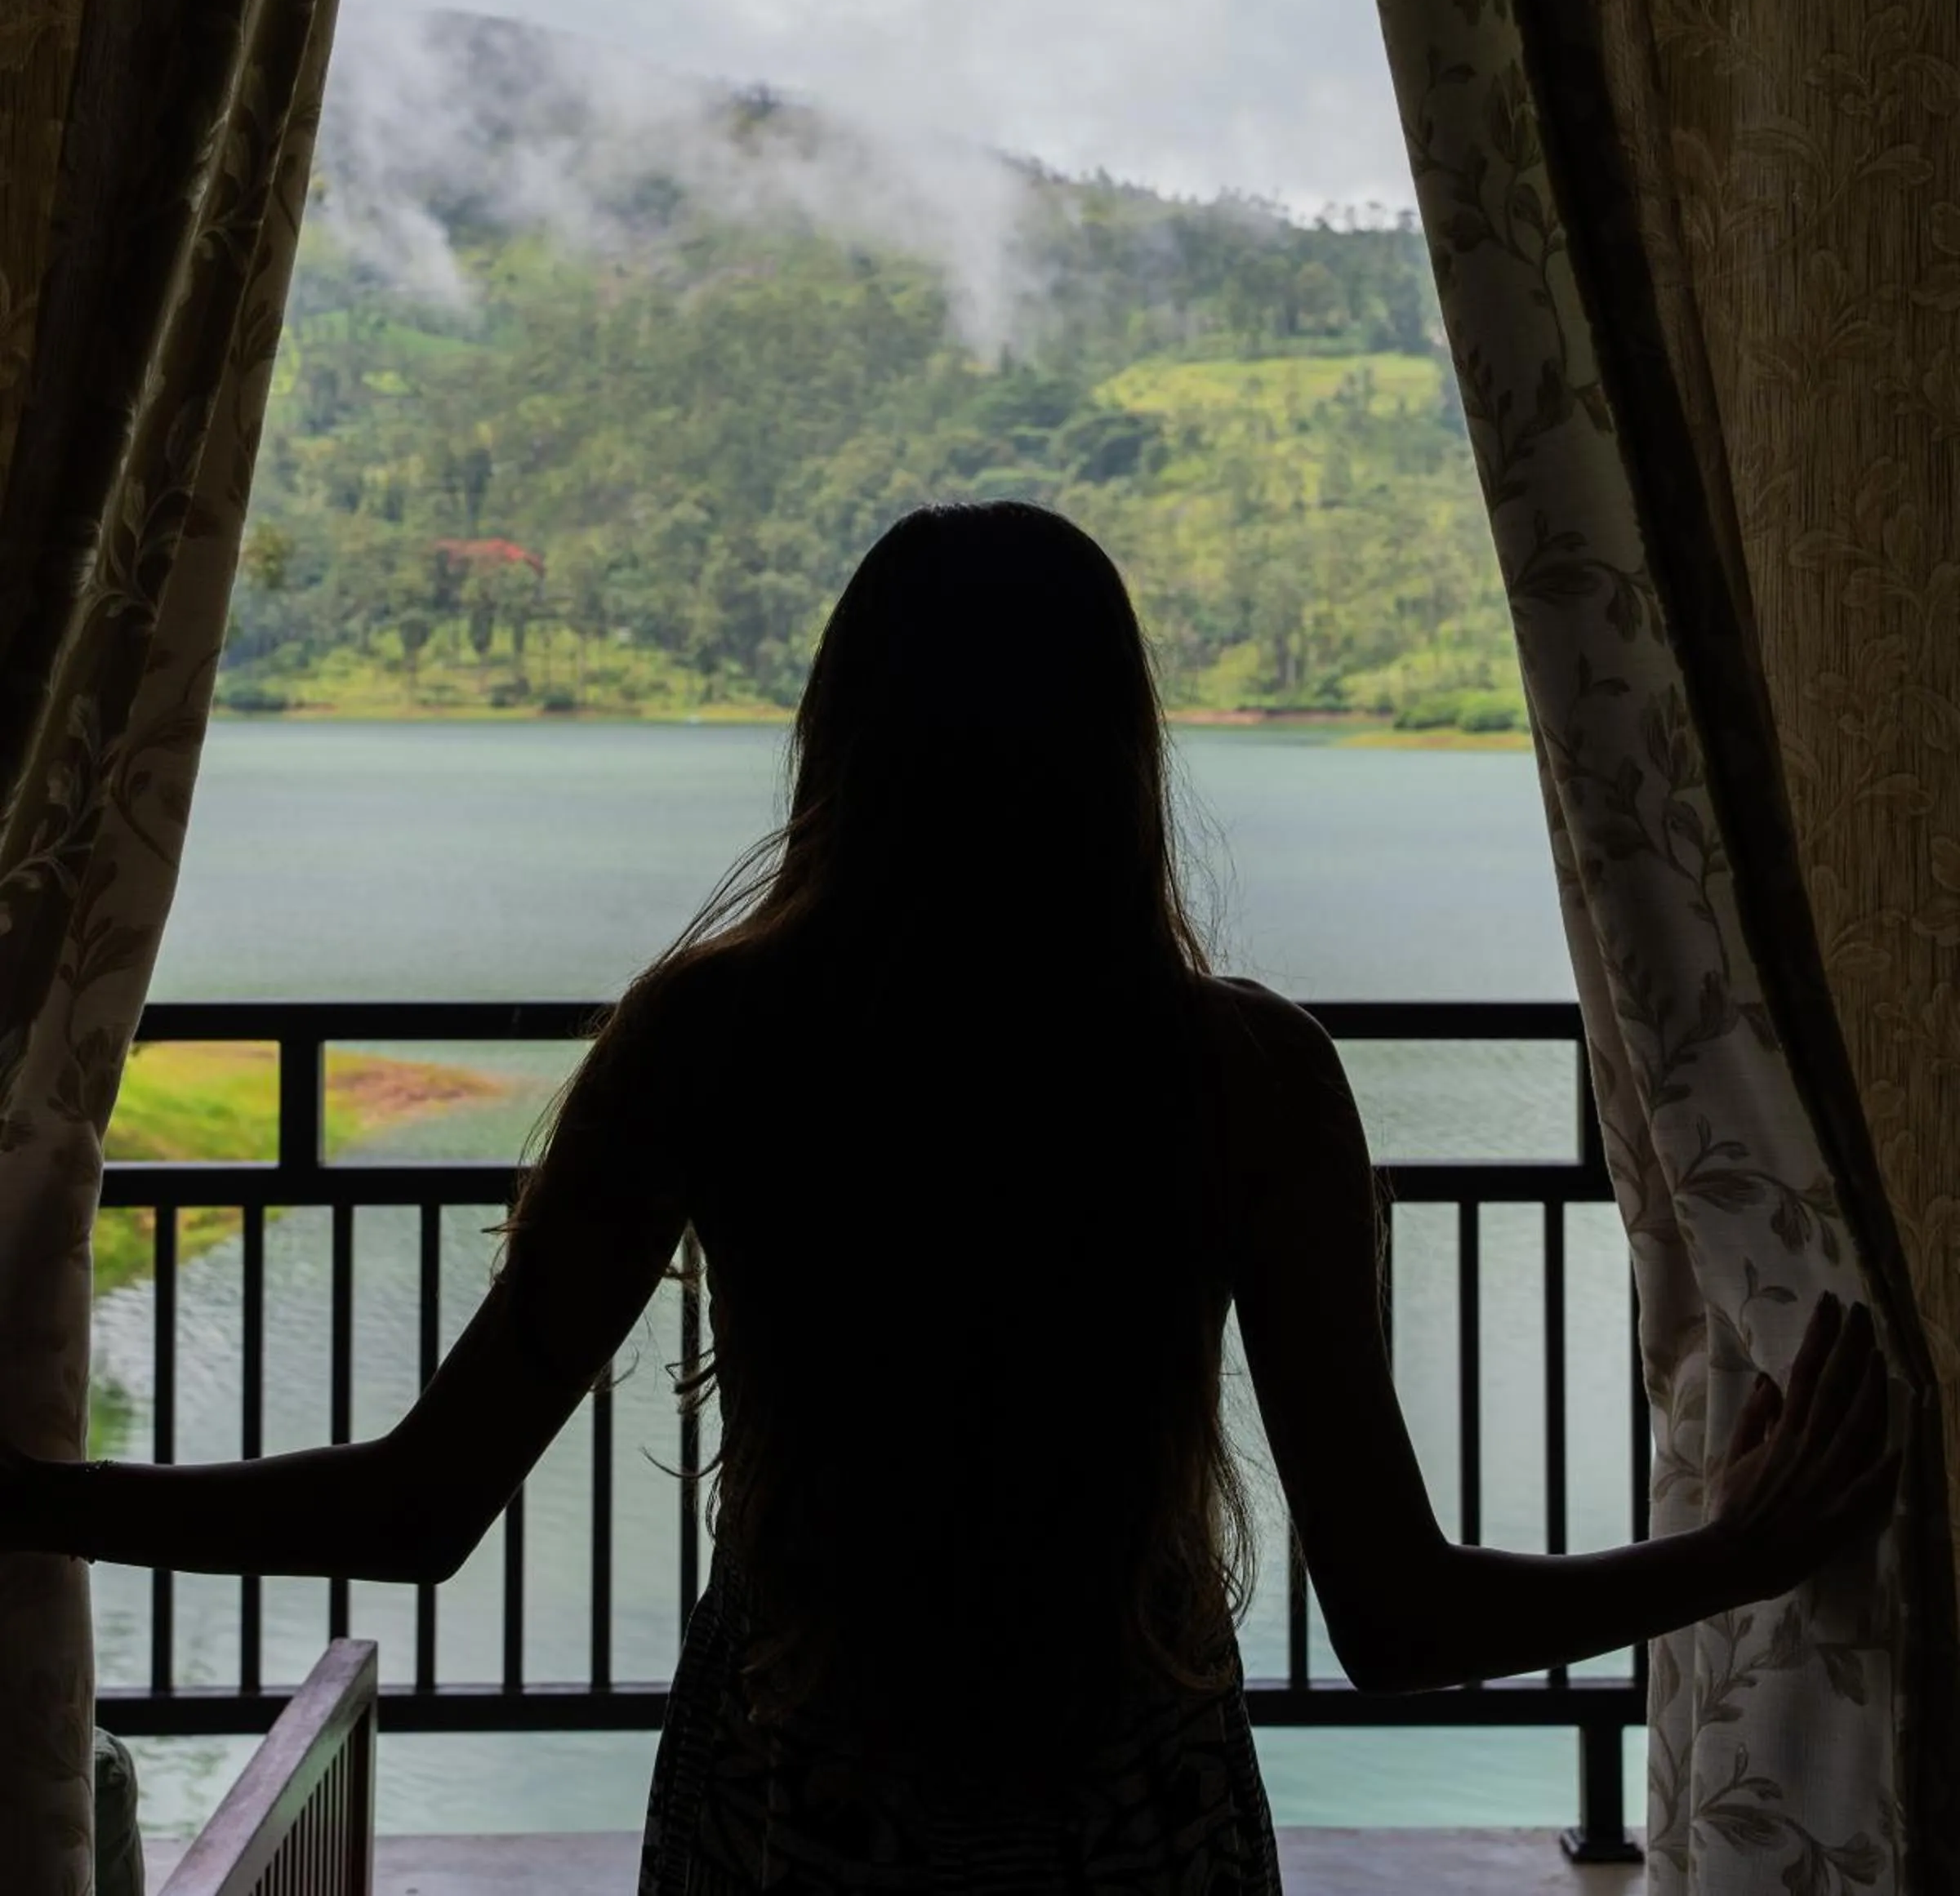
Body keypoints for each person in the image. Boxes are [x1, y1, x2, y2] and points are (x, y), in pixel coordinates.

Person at [1, 502, 1897, 1893]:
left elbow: (417, 1507)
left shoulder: (712, 1044)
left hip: (787, 1825)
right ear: (1122, 757)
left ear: (845, 744)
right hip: (1137, 1830)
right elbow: (1396, 1614)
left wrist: (23, 1492)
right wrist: (1733, 1553)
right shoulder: (1246, 1080)